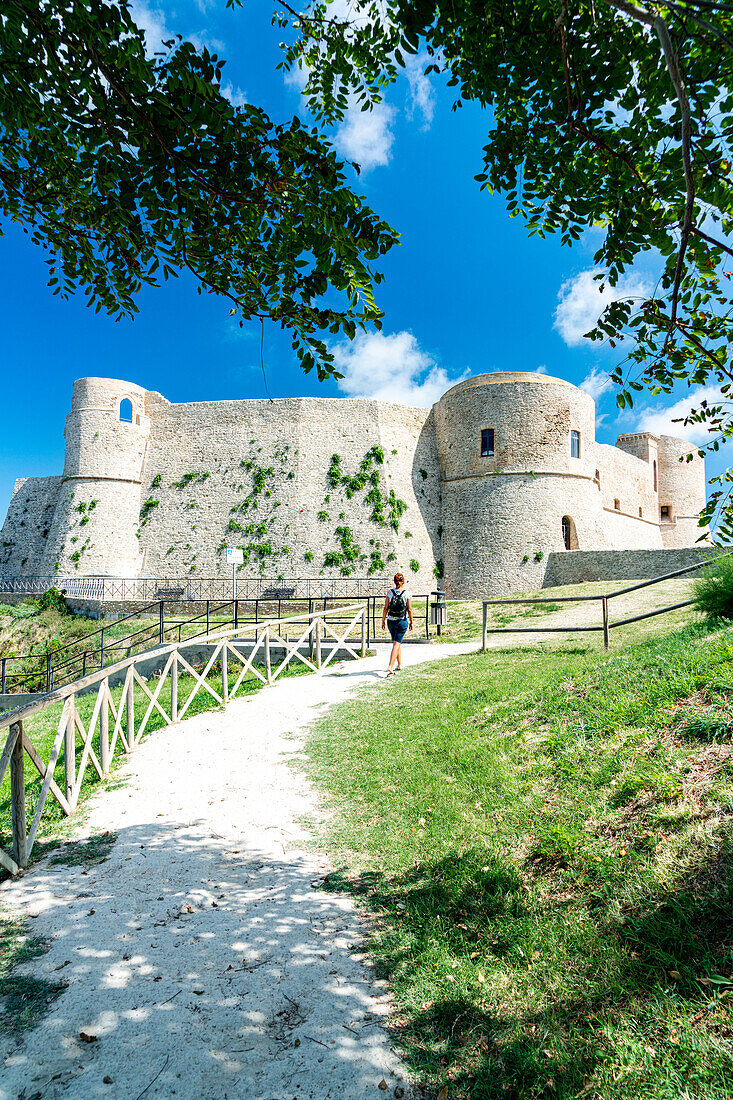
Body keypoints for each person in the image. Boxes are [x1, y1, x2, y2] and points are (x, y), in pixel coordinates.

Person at [382, 572, 413, 677]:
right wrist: (411, 622)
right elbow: (409, 609)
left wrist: (383, 620)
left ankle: (399, 664)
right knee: (396, 643)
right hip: (401, 621)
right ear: (403, 581)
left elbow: (386, 608)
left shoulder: (390, 593)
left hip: (391, 621)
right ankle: (390, 666)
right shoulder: (406, 593)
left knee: (396, 642)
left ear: (394, 582)